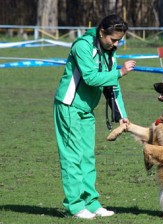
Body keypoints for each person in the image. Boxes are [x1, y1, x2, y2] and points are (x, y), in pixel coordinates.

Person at [53, 14, 136, 219]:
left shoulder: (109, 52)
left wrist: (121, 115)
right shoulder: (82, 46)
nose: (115, 44)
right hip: (69, 106)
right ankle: (75, 205)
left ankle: (91, 203)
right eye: (113, 39)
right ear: (101, 32)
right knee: (73, 157)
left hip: (86, 110)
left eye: (119, 40)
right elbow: (90, 78)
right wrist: (120, 72)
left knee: (87, 157)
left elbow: (111, 86)